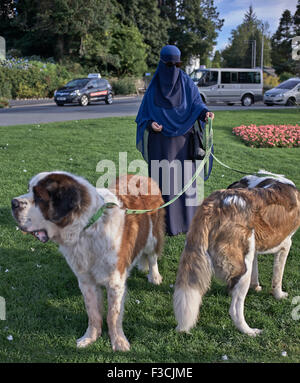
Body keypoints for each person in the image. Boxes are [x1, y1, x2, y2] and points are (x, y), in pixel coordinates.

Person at [136, 45, 214, 236]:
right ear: (162, 63)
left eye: (177, 64)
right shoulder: (154, 87)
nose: (173, 68)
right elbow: (143, 116)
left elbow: (197, 104)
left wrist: (205, 113)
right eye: (169, 64)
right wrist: (150, 124)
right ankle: (165, 224)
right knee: (163, 182)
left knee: (185, 180)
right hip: (160, 144)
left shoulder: (187, 83)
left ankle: (187, 223)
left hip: (183, 143)